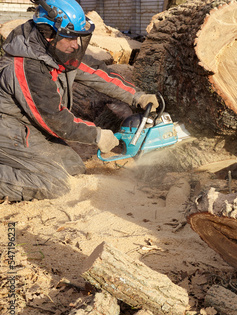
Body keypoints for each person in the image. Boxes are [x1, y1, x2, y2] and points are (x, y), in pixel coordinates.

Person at [0, 0, 158, 202]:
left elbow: (96, 74)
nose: (76, 44)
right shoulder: (26, 67)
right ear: (49, 34)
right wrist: (97, 135)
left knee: (73, 168)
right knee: (56, 185)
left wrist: (137, 96)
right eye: (70, 38)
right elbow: (54, 119)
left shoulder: (57, 52)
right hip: (8, 131)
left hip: (28, 128)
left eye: (79, 38)